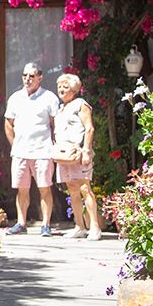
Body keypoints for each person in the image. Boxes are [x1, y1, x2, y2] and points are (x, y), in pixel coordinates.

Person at [4, 62, 60, 237]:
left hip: (42, 151)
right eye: (25, 75)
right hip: (21, 152)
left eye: (31, 76)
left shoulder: (49, 98)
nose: (27, 79)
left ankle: (46, 225)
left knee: (44, 188)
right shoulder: (15, 98)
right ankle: (21, 223)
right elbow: (8, 123)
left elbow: (54, 124)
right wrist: (15, 145)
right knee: (22, 189)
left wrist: (54, 145)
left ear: (40, 77)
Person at [54, 73, 101, 240]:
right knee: (72, 190)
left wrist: (86, 150)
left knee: (84, 188)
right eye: (60, 86)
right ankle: (79, 226)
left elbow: (89, 128)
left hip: (79, 152)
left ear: (74, 90)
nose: (61, 89)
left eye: (65, 87)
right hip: (64, 155)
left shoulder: (81, 104)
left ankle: (94, 227)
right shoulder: (61, 108)